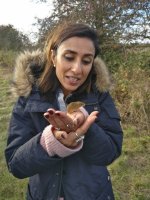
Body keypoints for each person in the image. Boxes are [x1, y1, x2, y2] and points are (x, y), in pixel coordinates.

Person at [5, 22, 123, 200]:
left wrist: (86, 128)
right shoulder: (28, 96)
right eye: (69, 57)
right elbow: (16, 166)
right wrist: (50, 141)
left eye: (86, 61)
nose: (77, 69)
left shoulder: (100, 96)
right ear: (53, 56)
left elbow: (110, 152)